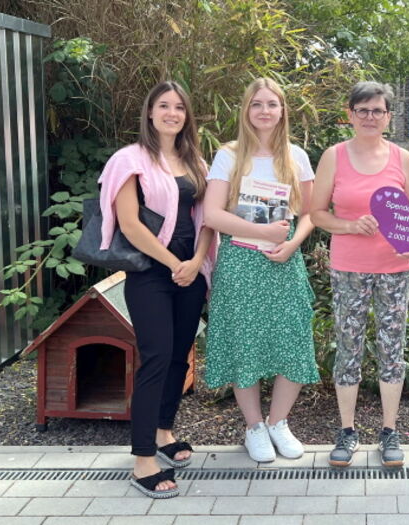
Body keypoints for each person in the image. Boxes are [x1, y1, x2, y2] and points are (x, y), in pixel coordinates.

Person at [98, 80, 216, 498]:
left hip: (190, 270)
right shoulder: (129, 159)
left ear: (187, 116)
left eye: (179, 107)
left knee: (179, 357)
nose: (172, 113)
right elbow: (128, 223)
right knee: (156, 356)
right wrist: (174, 264)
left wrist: (197, 261)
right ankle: (143, 457)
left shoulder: (196, 160)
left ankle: (164, 431)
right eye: (163, 106)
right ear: (150, 113)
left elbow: (209, 219)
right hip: (151, 270)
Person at [202, 78, 319, 462]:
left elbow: (310, 214)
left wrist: (292, 242)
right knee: (245, 343)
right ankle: (253, 426)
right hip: (240, 262)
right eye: (257, 104)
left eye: (272, 104)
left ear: (283, 110)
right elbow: (213, 214)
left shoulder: (296, 156)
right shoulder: (229, 155)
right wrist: (261, 231)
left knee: (293, 340)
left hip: (284, 261)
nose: (264, 111)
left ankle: (278, 422)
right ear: (245, 110)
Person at [309, 81, 409, 468]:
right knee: (349, 348)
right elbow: (317, 214)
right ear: (350, 114)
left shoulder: (403, 159)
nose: (370, 117)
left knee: (392, 349)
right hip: (349, 268)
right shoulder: (333, 156)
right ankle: (347, 430)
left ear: (389, 116)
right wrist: (350, 226)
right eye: (363, 110)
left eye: (378, 111)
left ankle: (390, 431)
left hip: (394, 269)